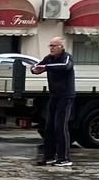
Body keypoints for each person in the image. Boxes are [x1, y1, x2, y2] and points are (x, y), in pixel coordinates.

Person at [28, 36, 75, 169]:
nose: (52, 48)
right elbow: (36, 67)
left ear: (61, 47)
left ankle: (64, 158)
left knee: (60, 126)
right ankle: (48, 157)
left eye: (54, 46)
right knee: (49, 126)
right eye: (50, 45)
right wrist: (35, 69)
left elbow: (66, 66)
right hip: (54, 96)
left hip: (65, 96)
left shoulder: (66, 57)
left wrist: (46, 67)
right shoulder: (49, 58)